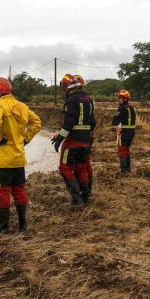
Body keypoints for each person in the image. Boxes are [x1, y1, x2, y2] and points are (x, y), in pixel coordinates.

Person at [0, 77, 41, 234]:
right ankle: (22, 226)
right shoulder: (22, 106)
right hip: (18, 158)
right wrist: (25, 139)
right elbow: (37, 122)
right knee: (19, 190)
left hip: (3, 159)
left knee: (2, 192)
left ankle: (4, 227)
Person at [52, 74, 94, 206]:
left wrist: (60, 139)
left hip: (73, 142)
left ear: (66, 87)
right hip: (86, 141)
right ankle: (85, 199)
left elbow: (69, 123)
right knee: (81, 168)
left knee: (64, 169)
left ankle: (76, 199)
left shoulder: (71, 100)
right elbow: (93, 122)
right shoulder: (89, 100)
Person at [74, 75, 96, 197]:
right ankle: (86, 189)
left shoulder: (82, 100)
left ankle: (86, 191)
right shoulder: (89, 100)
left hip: (83, 136)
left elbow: (90, 120)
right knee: (85, 162)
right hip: (87, 135)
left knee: (84, 163)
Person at [111, 89, 136, 173]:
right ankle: (128, 168)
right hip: (132, 132)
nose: (118, 99)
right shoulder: (132, 108)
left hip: (124, 132)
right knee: (127, 149)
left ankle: (123, 170)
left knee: (122, 150)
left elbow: (115, 121)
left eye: (120, 98)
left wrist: (111, 122)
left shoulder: (121, 108)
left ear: (125, 99)